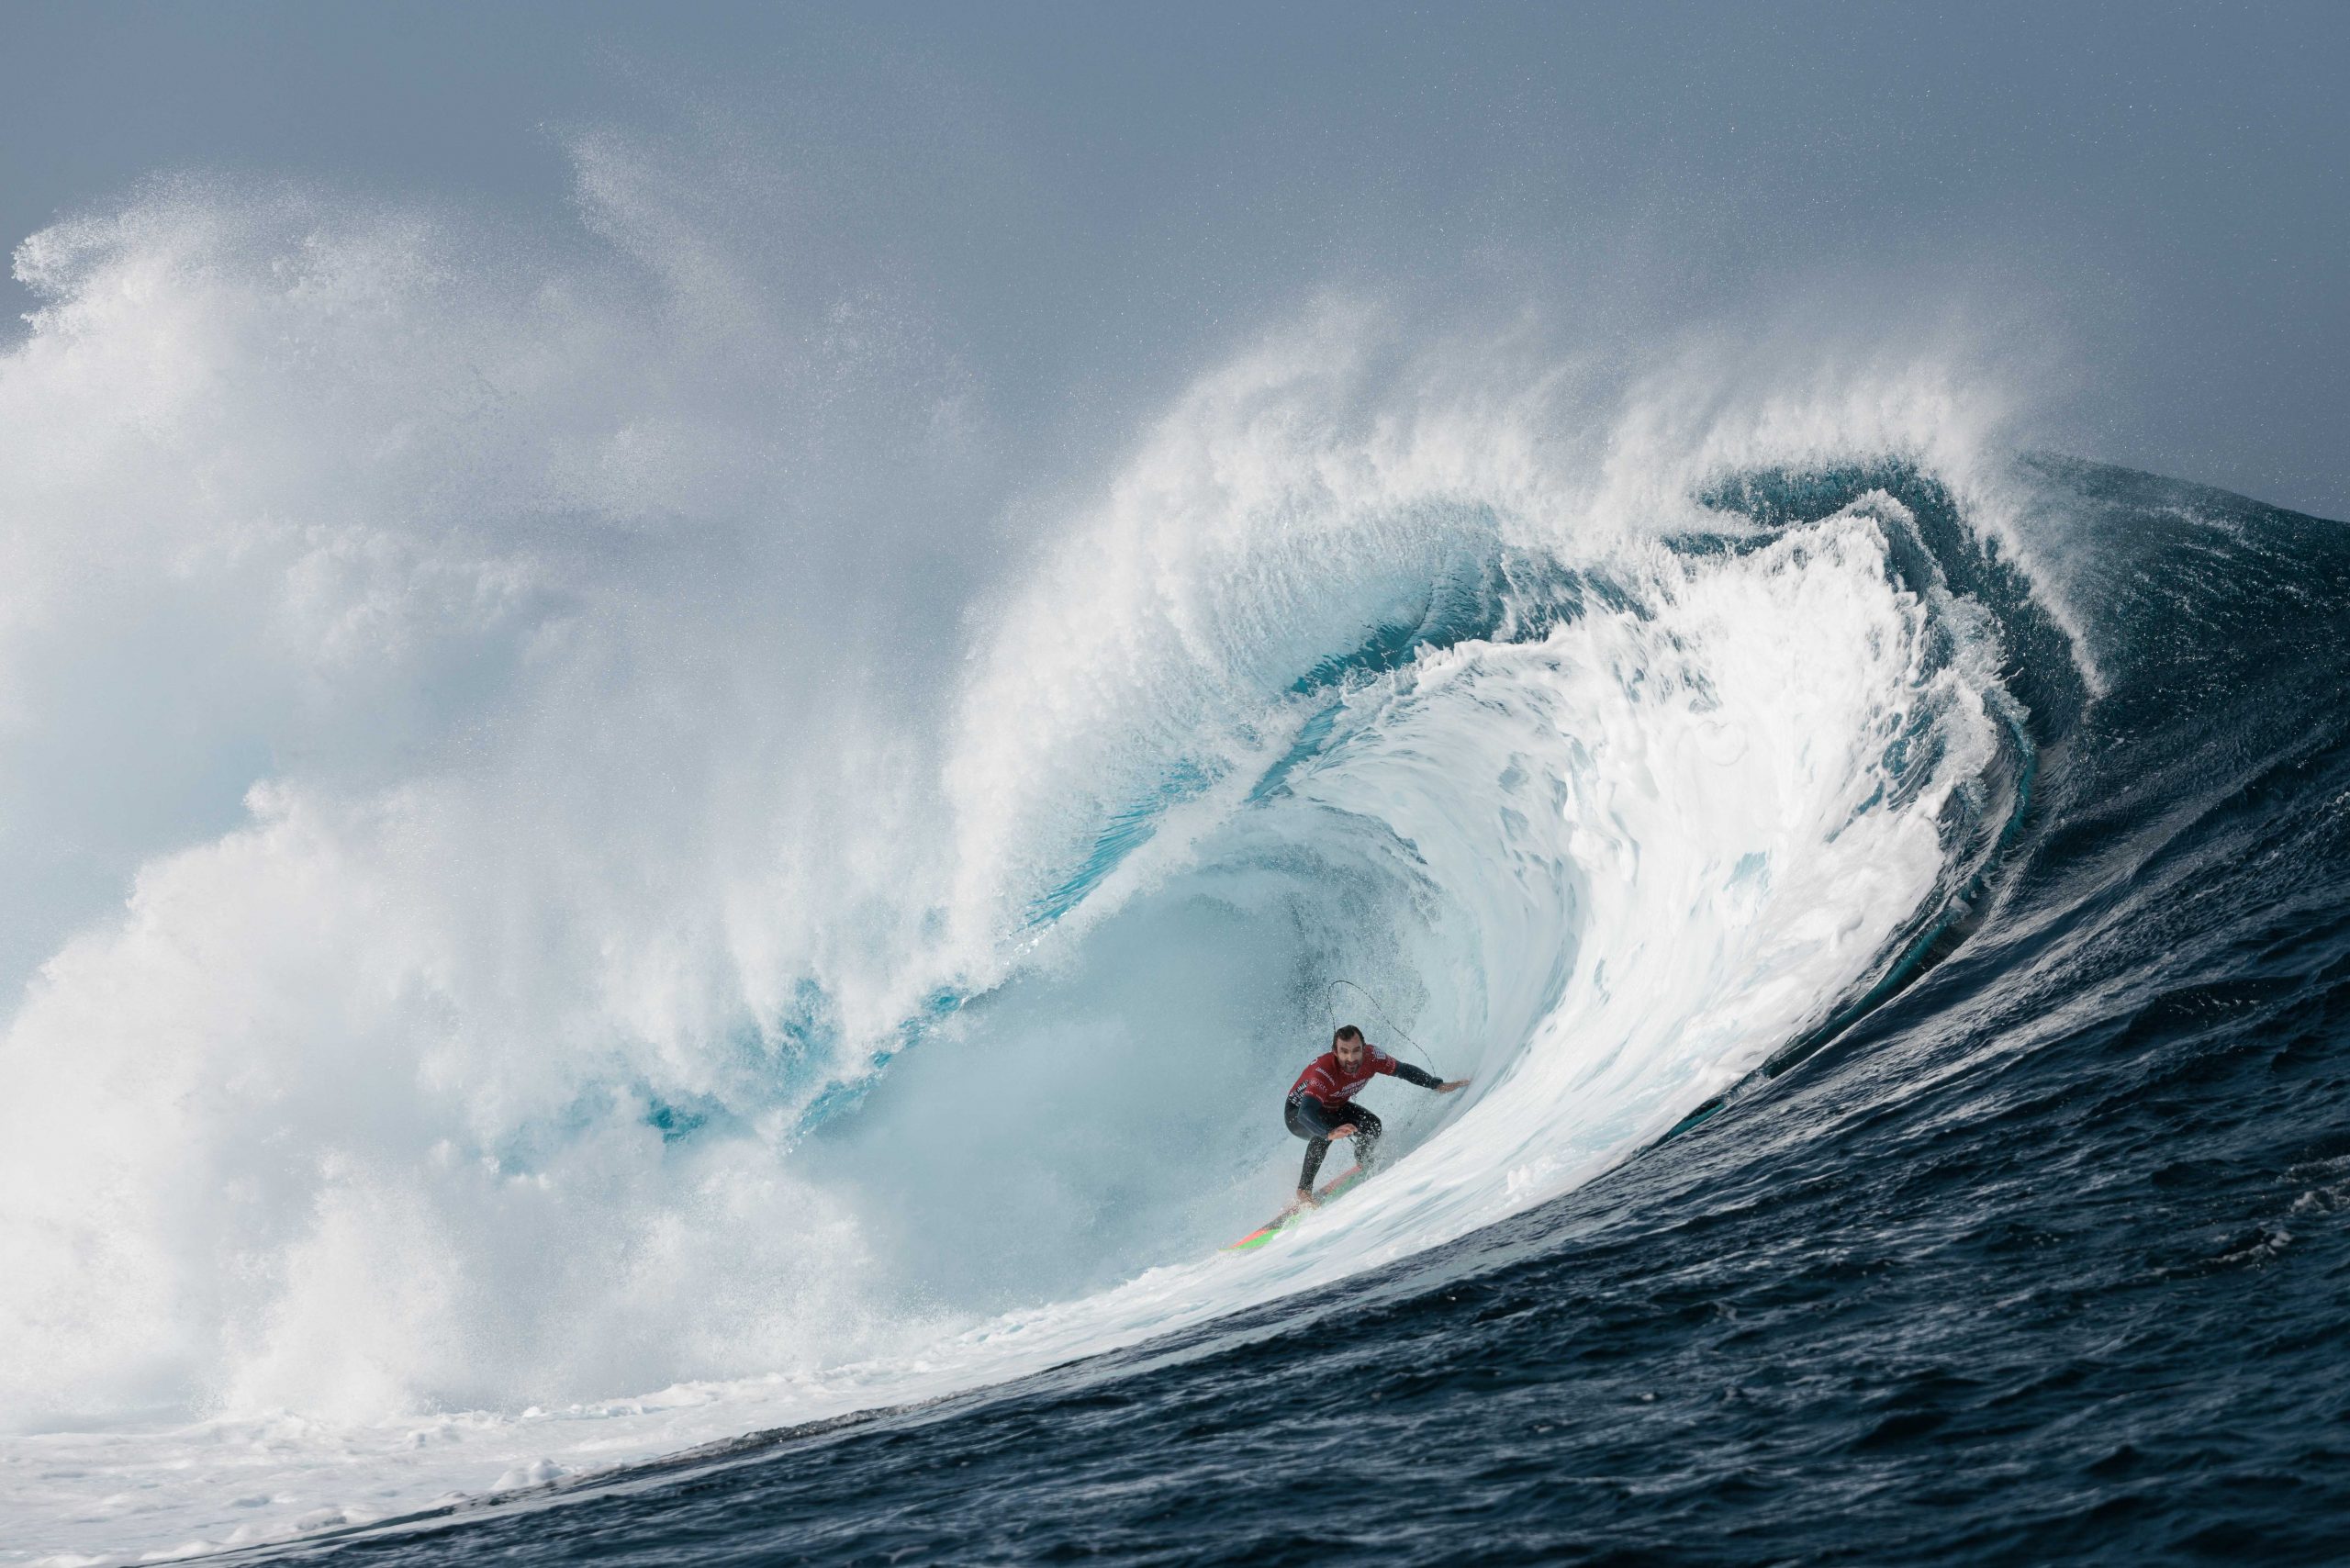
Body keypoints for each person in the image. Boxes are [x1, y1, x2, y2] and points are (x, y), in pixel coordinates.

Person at [1286, 1024, 1467, 1209]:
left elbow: (1403, 1070)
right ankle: (1304, 1191)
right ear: (1335, 1052)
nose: (1351, 1058)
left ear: (1364, 1049)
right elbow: (1305, 1112)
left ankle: (1363, 1160)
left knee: (1372, 1125)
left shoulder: (1373, 1057)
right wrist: (1328, 1133)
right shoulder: (1324, 1071)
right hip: (1298, 1113)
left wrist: (1435, 1085)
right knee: (1325, 1128)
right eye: (1344, 1052)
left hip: (1334, 1105)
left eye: (1356, 1051)